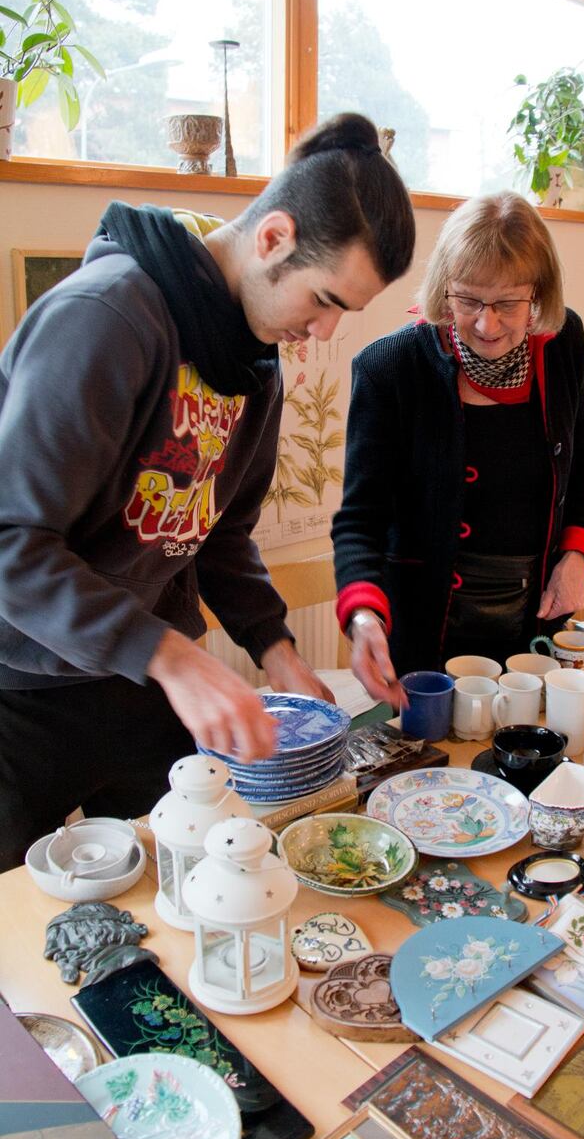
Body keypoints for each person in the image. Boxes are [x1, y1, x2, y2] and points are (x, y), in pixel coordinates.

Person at [0, 112, 415, 870]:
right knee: (21, 944)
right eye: (324, 301)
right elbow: (10, 545)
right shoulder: (104, 318)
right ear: (272, 239)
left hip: (138, 684)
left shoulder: (253, 361)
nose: (324, 334)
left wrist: (277, 649)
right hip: (21, 688)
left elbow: (220, 532)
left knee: (182, 891)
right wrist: (176, 656)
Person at [332, 191, 584, 706]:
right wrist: (363, 613)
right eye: (468, 300)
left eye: (508, 303)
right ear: (443, 289)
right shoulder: (390, 368)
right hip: (424, 631)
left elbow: (583, 462)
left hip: (533, 622)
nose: (487, 324)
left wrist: (576, 555)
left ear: (538, 294)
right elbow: (359, 519)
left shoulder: (564, 342)